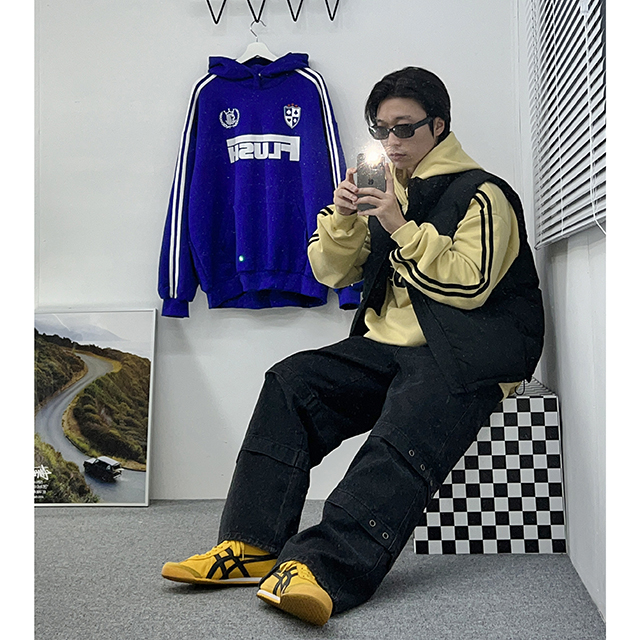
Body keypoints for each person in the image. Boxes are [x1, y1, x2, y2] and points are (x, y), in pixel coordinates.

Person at [161, 67, 544, 626]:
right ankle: (252, 544)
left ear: (438, 126)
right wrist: (343, 219)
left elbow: (469, 285)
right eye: (381, 130)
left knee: (406, 423)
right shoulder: (387, 187)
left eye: (404, 128)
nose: (392, 141)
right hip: (390, 345)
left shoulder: (484, 194)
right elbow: (333, 272)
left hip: (471, 351)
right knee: (292, 382)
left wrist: (399, 224)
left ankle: (322, 568)